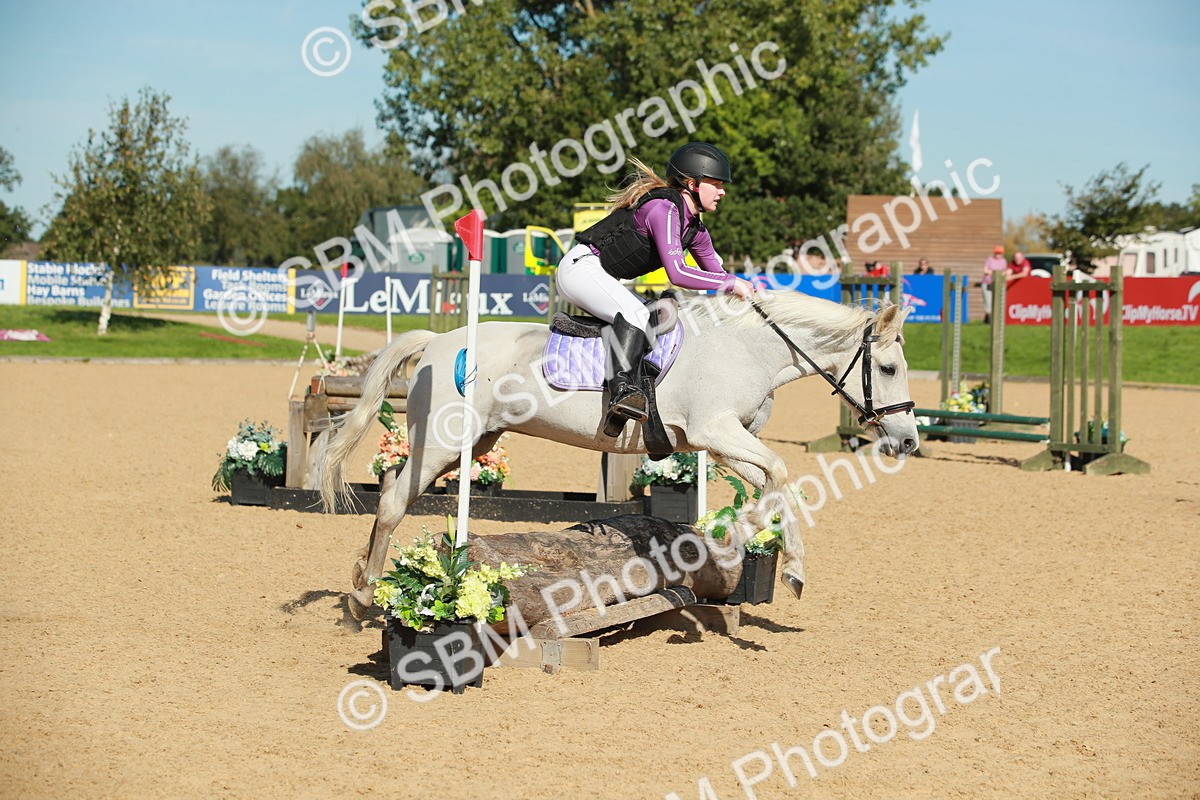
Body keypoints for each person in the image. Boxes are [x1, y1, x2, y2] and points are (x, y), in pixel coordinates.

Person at [556, 142, 756, 428]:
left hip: (598, 275)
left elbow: (716, 273)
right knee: (636, 316)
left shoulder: (695, 229)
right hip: (580, 270)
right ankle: (622, 393)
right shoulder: (663, 209)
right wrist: (731, 282)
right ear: (692, 184)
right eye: (716, 184)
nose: (722, 191)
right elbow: (678, 273)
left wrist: (745, 292)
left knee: (653, 320)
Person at [981, 245, 1007, 323]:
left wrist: (998, 275)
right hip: (987, 283)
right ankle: (988, 318)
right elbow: (985, 269)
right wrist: (994, 273)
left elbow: (1005, 271)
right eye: (997, 253)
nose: (998, 255)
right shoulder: (990, 260)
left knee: (998, 302)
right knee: (988, 302)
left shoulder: (1003, 261)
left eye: (1000, 253)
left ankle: (997, 319)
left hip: (998, 284)